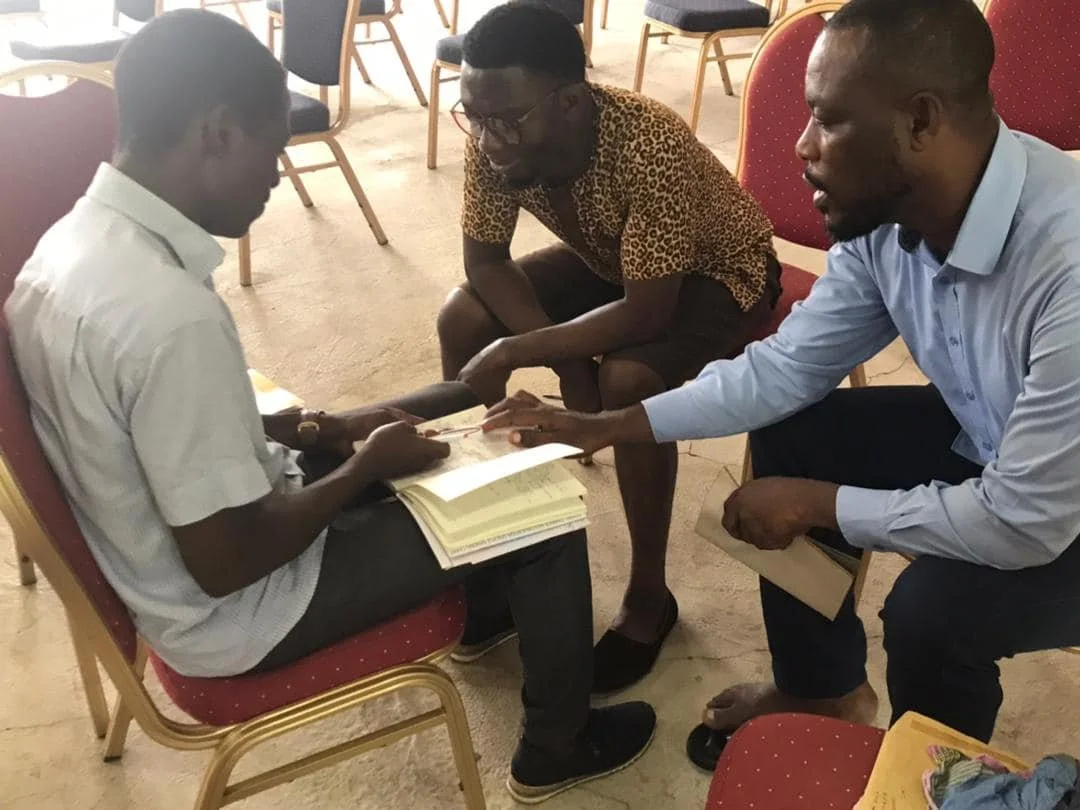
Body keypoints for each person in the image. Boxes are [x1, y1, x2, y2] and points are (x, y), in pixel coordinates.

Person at [3, 10, 655, 803]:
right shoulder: (169, 319)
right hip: (243, 609)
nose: (277, 176)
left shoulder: (68, 245)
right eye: (270, 149)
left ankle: (486, 603)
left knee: (458, 401)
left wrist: (320, 429)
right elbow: (228, 562)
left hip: (197, 528)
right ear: (217, 133)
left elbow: (146, 416)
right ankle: (558, 744)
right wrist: (361, 470)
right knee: (544, 510)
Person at [482, 0, 1080, 769]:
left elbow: (1024, 522)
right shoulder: (887, 216)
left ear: (920, 121)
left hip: (1055, 509)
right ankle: (820, 688)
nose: (801, 146)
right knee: (795, 428)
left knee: (931, 614)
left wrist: (820, 504)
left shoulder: (1064, 264)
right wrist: (611, 423)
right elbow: (788, 367)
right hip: (1000, 434)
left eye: (827, 120)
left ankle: (932, 780)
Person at [437, 1, 781, 694]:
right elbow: (486, 264)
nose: (488, 139)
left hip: (719, 273)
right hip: (613, 258)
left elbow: (648, 310)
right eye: (473, 116)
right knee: (463, 319)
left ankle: (650, 600)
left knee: (627, 380)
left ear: (570, 102)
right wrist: (563, 359)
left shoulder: (648, 140)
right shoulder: (496, 132)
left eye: (505, 121)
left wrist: (519, 353)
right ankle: (490, 558)